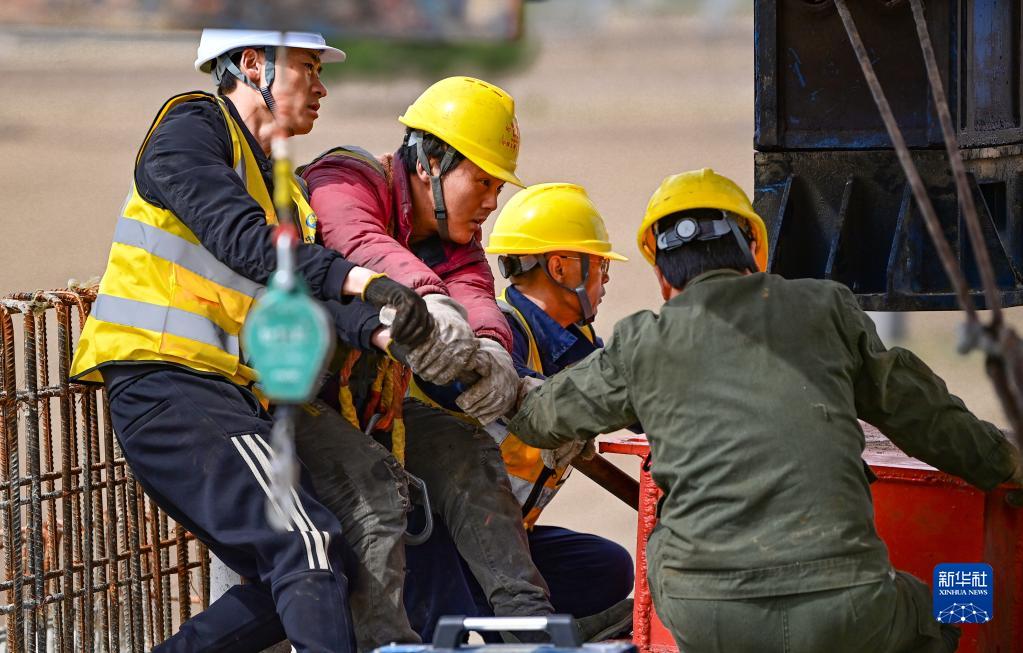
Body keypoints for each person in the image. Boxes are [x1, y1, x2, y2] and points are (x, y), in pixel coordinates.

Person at [506, 168, 1023, 653]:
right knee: (948, 608)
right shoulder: (827, 309)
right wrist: (1007, 465)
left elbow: (539, 418)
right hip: (845, 606)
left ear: (664, 278)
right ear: (755, 249)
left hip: (706, 613)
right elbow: (925, 417)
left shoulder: (642, 342)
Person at [70, 29, 433, 652]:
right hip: (165, 384)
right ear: (250, 63)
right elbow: (243, 241)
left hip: (216, 397)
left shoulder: (281, 189)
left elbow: (306, 295)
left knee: (304, 564)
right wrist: (362, 279)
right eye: (308, 68)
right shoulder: (189, 131)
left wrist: (384, 329)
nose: (321, 87)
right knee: (307, 543)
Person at [293, 76, 556, 650]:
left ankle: (531, 632)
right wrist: (426, 299)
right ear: (431, 163)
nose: (492, 201)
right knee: (373, 489)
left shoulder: (452, 241)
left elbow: (479, 297)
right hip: (285, 404)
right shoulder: (346, 176)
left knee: (468, 450)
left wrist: (492, 352)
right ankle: (386, 646)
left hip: (368, 406)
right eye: (482, 181)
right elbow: (354, 236)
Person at [401, 183, 636, 641]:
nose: (606, 279)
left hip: (507, 541)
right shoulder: (499, 332)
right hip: (436, 538)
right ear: (561, 265)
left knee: (606, 568)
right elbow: (466, 383)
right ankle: (521, 632)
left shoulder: (575, 346)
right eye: (601, 265)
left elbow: (628, 397)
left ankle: (523, 626)